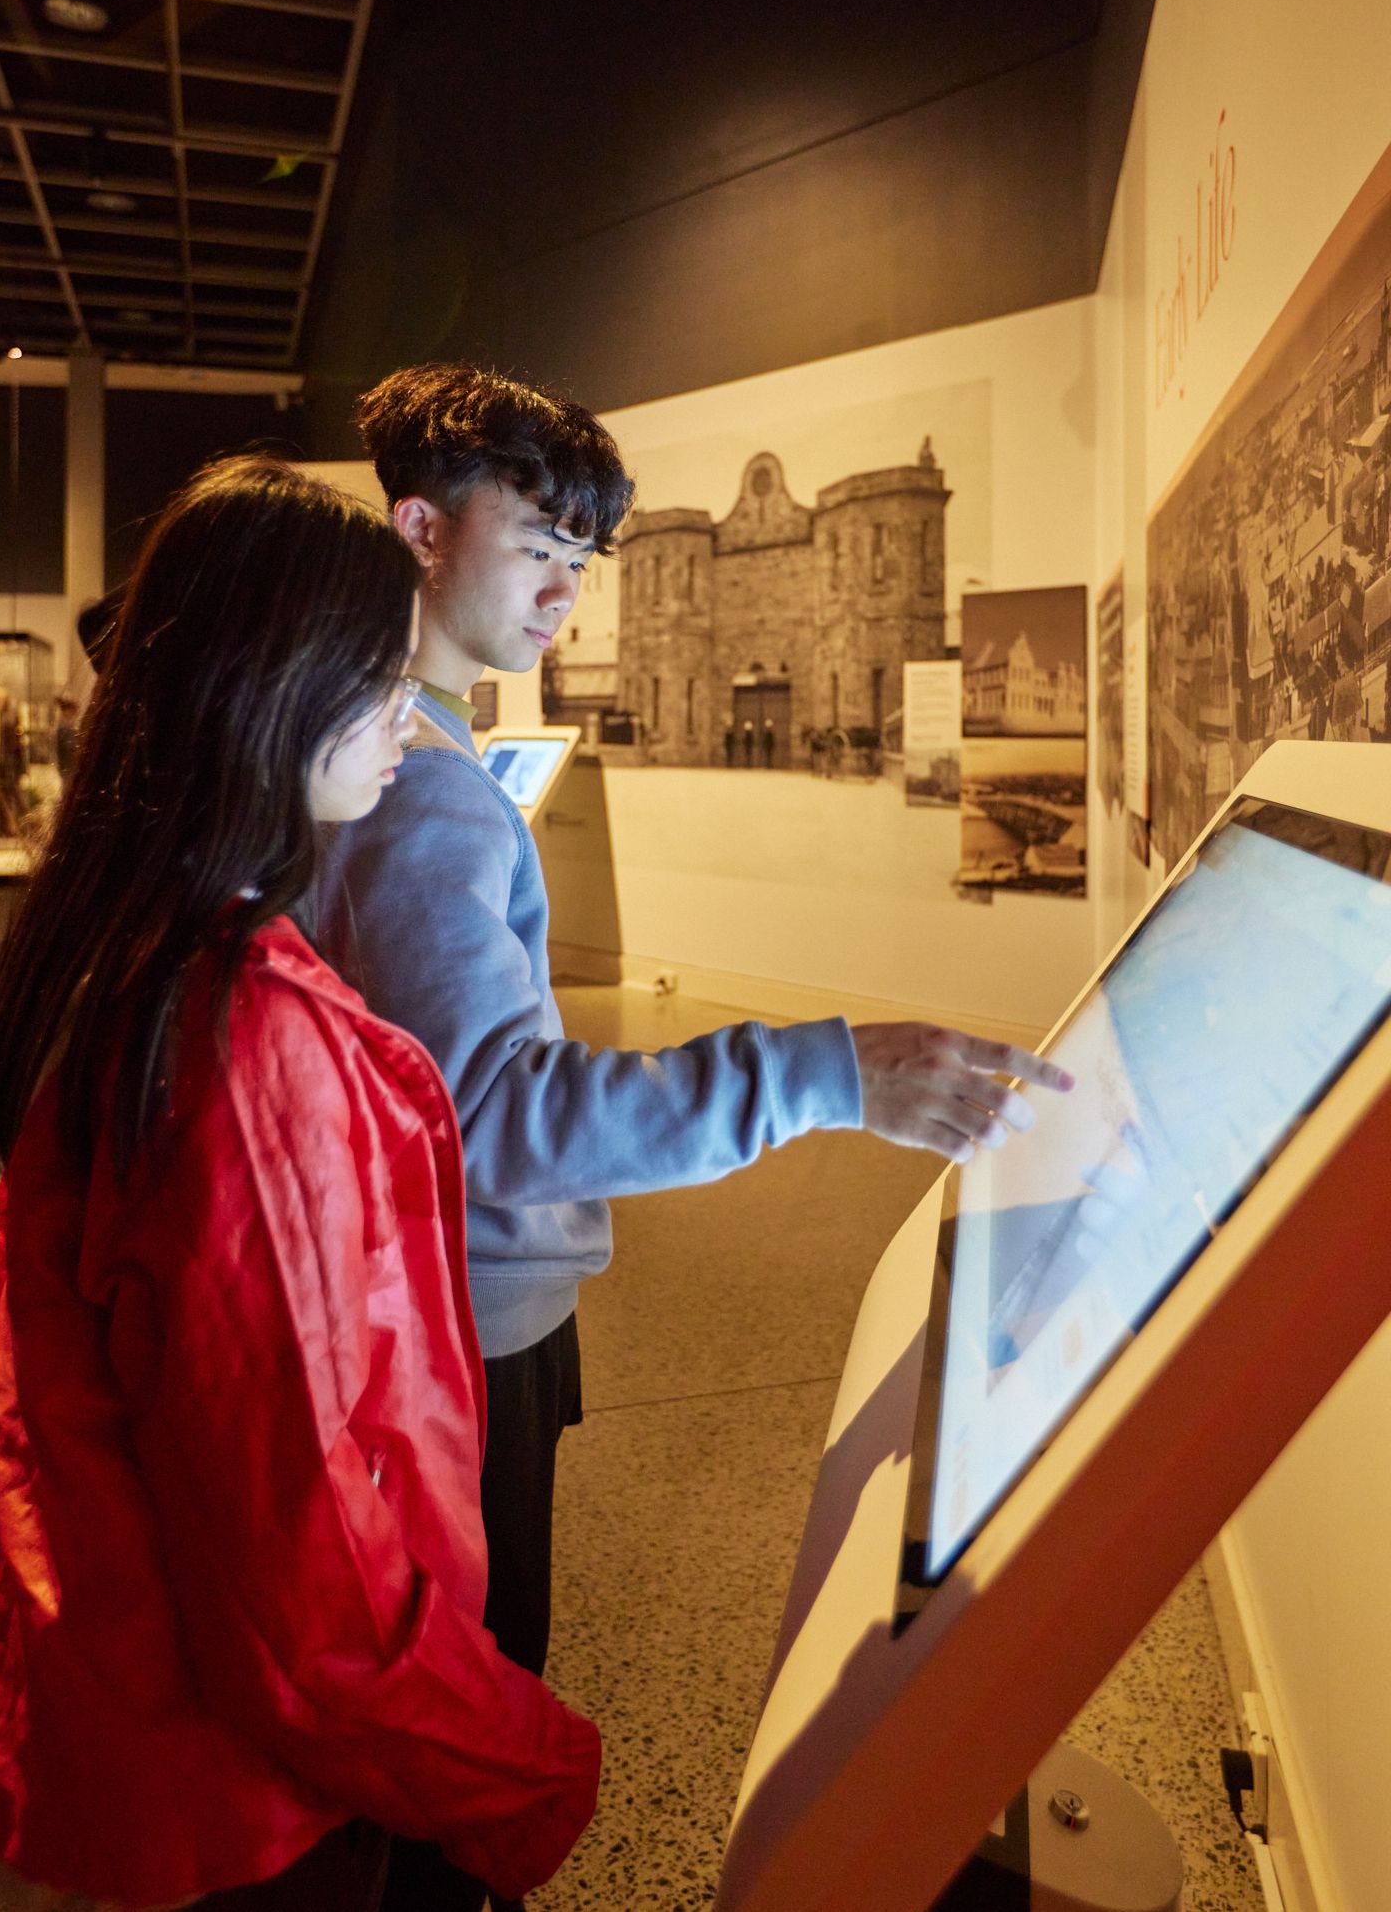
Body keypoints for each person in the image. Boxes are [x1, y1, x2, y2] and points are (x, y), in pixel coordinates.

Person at [318, 361, 1071, 1912]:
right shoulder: (431, 790)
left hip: (445, 1304)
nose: (566, 601)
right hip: (465, 1320)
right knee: (466, 1703)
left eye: (583, 565)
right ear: (418, 530)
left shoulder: (374, 747)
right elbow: (494, 1108)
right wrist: (822, 1072)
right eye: (539, 550)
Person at [0, 455, 599, 1912]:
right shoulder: (233, 1035)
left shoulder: (113, 940)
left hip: (110, 1708)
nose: (409, 716)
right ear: (271, 684)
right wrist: (528, 1764)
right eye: (377, 677)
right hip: (235, 1796)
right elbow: (307, 1594)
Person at [0, 688, 25, 838]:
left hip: (9, 763)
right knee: (11, 795)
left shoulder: (9, 716)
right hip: (6, 762)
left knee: (13, 793)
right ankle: (11, 827)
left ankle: (18, 826)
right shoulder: (6, 716)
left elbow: (13, 743)